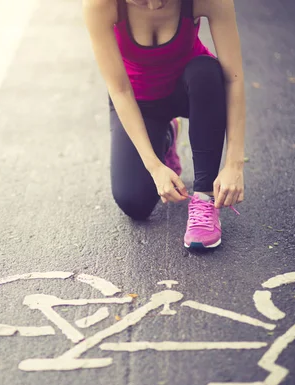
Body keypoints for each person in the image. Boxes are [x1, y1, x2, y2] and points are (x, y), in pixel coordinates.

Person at [83, 0, 246, 249]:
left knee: (207, 72)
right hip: (138, 103)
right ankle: (166, 136)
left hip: (190, 91)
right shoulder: (100, 5)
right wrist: (155, 167)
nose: (153, 5)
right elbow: (120, 89)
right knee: (134, 202)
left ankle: (204, 197)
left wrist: (234, 165)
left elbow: (233, 80)